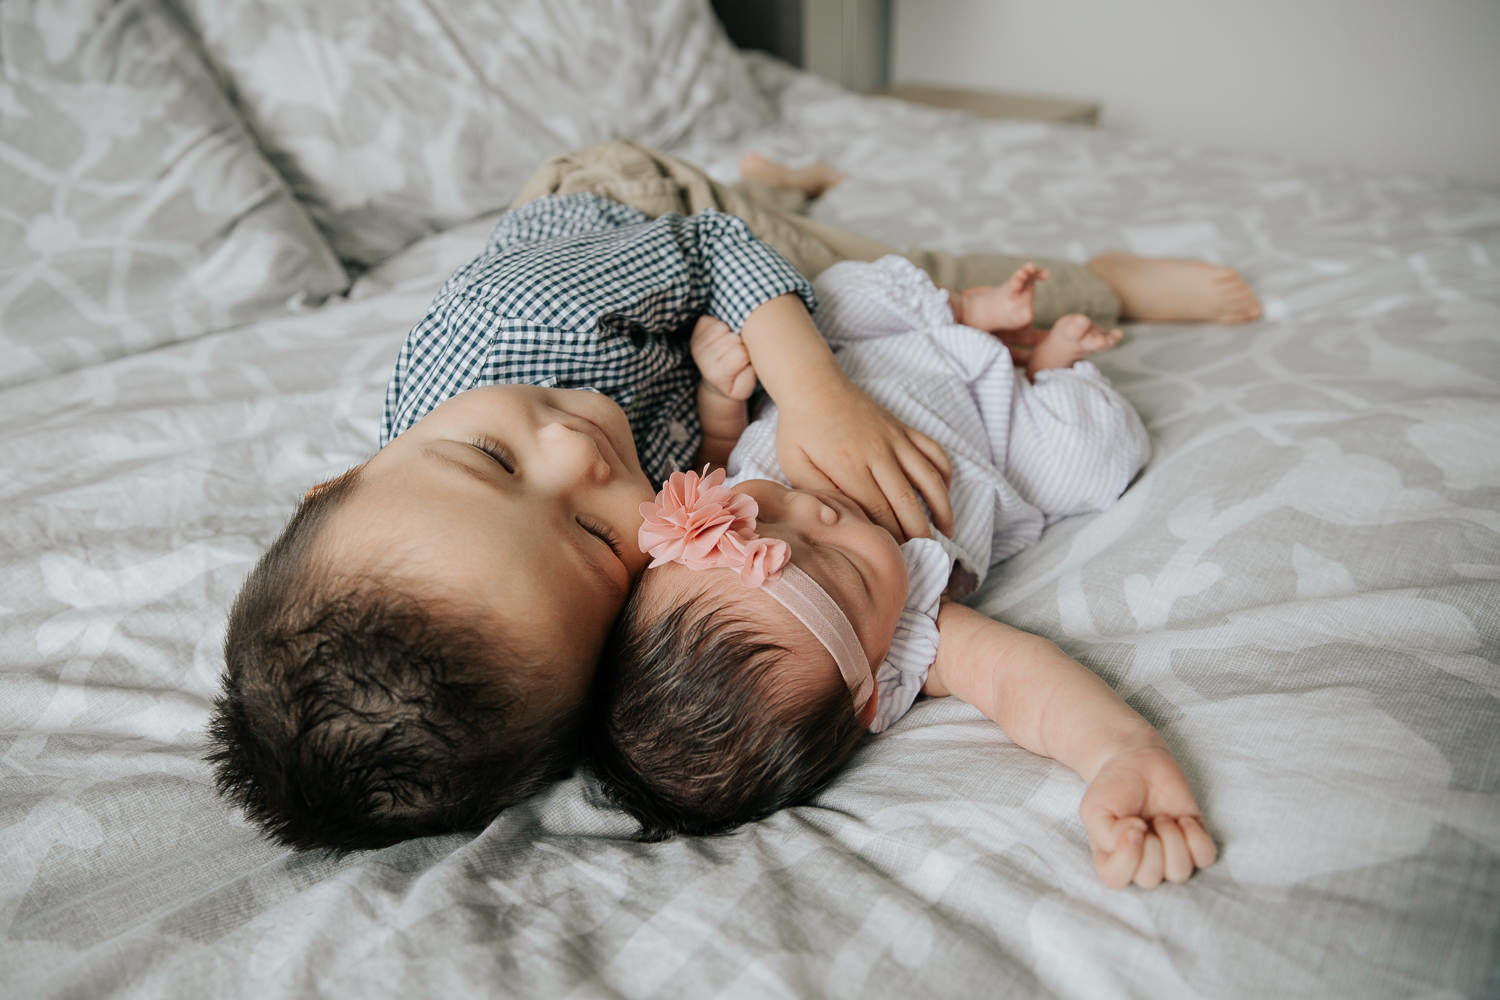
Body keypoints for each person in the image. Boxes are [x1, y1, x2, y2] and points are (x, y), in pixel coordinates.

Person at [207, 142, 1255, 853]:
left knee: (894, 270)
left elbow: (716, 257)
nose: (573, 451)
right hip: (687, 352)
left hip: (654, 218)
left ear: (348, 474)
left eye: (489, 459)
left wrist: (819, 396)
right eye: (589, 532)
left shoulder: (513, 337)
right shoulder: (520, 611)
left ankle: (1099, 277)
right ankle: (783, 175)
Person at [594, 256, 1215, 889]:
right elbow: (1019, 680)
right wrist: (1118, 752)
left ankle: (966, 308)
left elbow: (719, 453)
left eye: (755, 515)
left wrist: (721, 401)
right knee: (1096, 458)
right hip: (995, 429)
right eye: (840, 560)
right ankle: (1048, 373)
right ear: (871, 692)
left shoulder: (773, 512)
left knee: (833, 295)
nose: (813, 508)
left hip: (865, 363)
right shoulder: (911, 630)